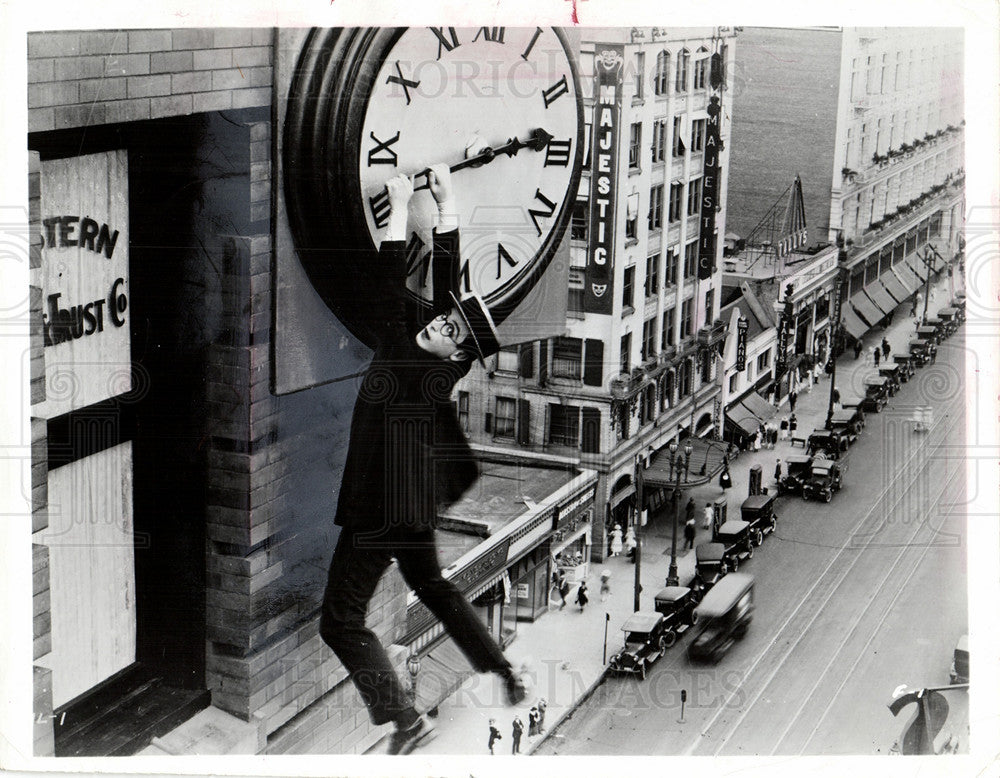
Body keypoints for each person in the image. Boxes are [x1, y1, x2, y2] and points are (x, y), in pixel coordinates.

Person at [319, 168, 528, 756]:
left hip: (378, 511)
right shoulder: (436, 361)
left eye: (450, 329)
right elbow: (443, 299)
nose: (439, 320)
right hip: (409, 508)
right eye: (445, 317)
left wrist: (397, 212)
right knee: (434, 588)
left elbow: (391, 284)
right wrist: (445, 208)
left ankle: (407, 720)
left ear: (457, 353)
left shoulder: (408, 357)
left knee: (339, 621)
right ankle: (502, 670)